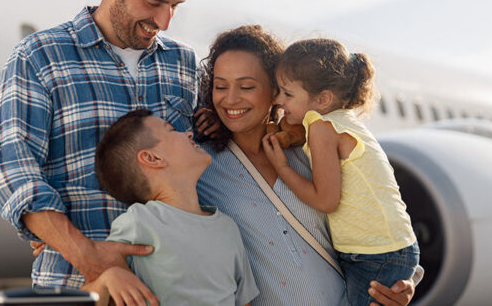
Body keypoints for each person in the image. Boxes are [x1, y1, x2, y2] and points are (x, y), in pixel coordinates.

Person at [0, 0, 199, 289]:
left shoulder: (182, 64)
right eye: (153, 2)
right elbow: (14, 172)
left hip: (172, 291)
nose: (165, 21)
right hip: (76, 285)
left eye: (175, 5)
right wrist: (86, 255)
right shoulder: (40, 56)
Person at [195, 25, 422, 305]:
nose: (230, 99)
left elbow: (379, 219)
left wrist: (403, 284)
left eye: (246, 86)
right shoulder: (201, 168)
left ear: (275, 91)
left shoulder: (312, 152)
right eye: (220, 86)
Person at [262, 38, 419, 306]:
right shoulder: (341, 122)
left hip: (375, 253)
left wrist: (282, 168)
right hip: (387, 248)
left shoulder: (322, 129)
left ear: (323, 99)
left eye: (287, 94)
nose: (277, 100)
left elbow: (326, 200)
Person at [88, 109, 258, 306]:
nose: (188, 133)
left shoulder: (228, 227)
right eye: (171, 130)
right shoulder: (138, 222)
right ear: (153, 158)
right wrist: (107, 280)